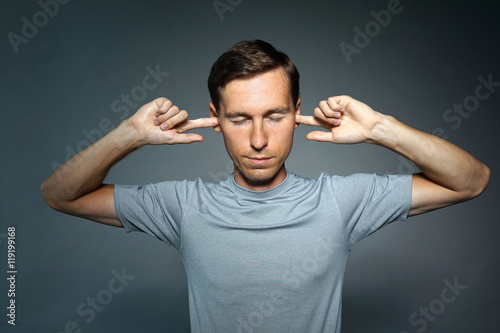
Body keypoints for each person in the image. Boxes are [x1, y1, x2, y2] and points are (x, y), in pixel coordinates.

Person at [41, 40, 490, 332]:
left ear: (297, 111)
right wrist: (130, 135)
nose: (258, 139)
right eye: (239, 119)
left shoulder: (339, 202)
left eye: (274, 116)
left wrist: (380, 128)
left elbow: (471, 181)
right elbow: (59, 193)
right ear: (216, 119)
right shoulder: (183, 206)